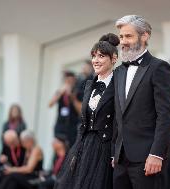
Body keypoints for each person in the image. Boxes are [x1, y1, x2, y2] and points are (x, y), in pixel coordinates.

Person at [112, 15, 170, 189]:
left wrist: (156, 154)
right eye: (122, 37)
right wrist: (113, 153)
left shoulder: (159, 67)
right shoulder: (118, 72)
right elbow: (118, 116)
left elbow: (165, 115)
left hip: (148, 158)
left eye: (128, 36)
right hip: (120, 159)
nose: (123, 41)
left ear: (144, 36)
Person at [54, 33, 119, 189]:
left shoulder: (119, 84)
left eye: (101, 56)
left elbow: (121, 121)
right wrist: (77, 149)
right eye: (94, 56)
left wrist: (116, 152)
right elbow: (84, 121)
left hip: (105, 148)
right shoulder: (89, 84)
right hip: (84, 145)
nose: (95, 60)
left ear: (114, 58)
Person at [49, 71, 81, 146]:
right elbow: (50, 104)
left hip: (72, 127)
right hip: (60, 126)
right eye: (67, 81)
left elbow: (80, 111)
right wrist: (60, 93)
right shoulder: (60, 92)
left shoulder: (77, 93)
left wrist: (72, 97)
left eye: (71, 81)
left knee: (69, 149)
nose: (69, 83)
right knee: (58, 148)